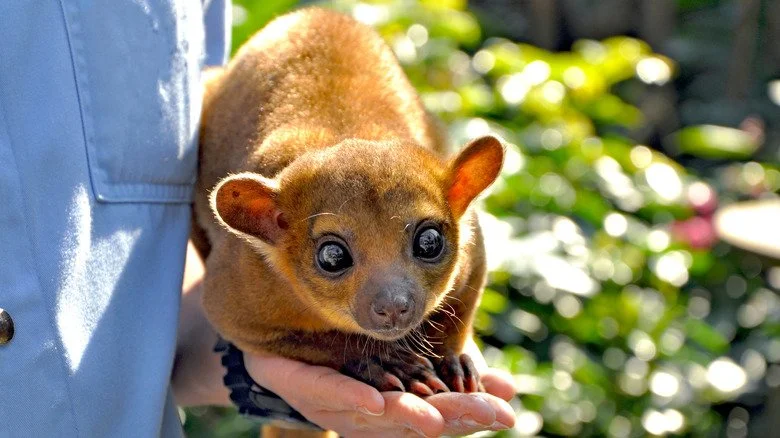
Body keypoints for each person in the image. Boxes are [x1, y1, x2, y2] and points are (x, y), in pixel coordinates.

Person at [0, 1, 516, 436]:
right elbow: (228, 306)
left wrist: (447, 345)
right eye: (335, 257)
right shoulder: (262, 255)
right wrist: (343, 356)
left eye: (427, 245)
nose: (395, 301)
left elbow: (463, 251)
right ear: (265, 225)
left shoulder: (443, 214)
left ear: (462, 193)